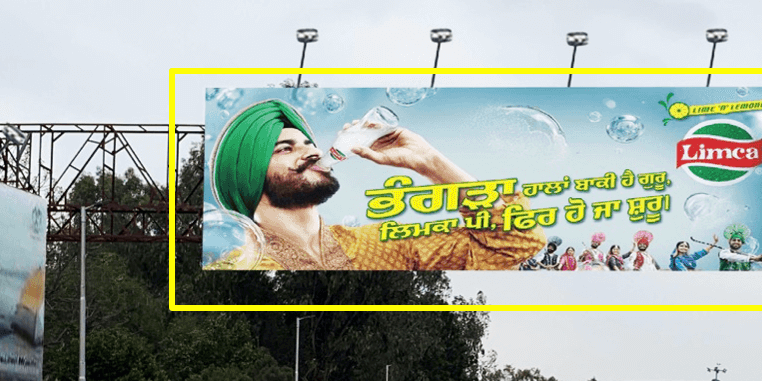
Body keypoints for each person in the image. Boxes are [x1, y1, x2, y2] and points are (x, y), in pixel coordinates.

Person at [206, 99, 545, 270]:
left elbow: (518, 240)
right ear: (247, 175)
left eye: (309, 143)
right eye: (285, 148)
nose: (312, 152)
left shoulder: (383, 245)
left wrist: (430, 163)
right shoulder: (236, 268)